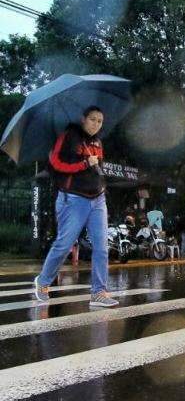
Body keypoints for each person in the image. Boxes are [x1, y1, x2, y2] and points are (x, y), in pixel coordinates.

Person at [34, 106, 118, 308]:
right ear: (83, 119)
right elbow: (55, 163)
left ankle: (98, 292)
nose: (96, 124)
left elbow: (98, 167)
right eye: (92, 119)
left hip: (97, 199)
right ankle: (43, 281)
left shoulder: (97, 142)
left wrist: (101, 182)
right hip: (73, 199)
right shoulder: (69, 136)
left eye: (99, 121)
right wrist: (83, 164)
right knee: (65, 244)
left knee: (101, 247)